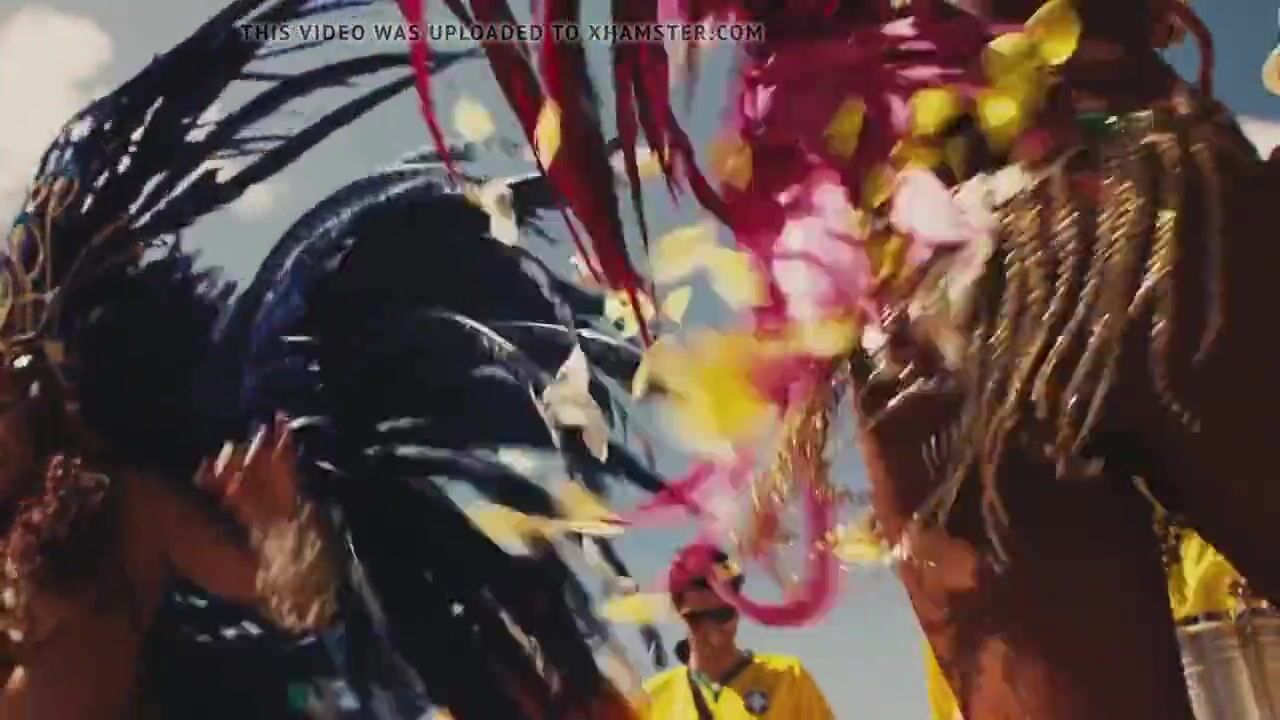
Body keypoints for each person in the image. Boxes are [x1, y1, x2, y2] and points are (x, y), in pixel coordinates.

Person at [637, 544, 834, 719]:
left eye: (721, 615)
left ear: (738, 611)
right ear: (678, 615)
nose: (711, 633)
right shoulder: (651, 700)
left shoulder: (788, 680)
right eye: (696, 619)